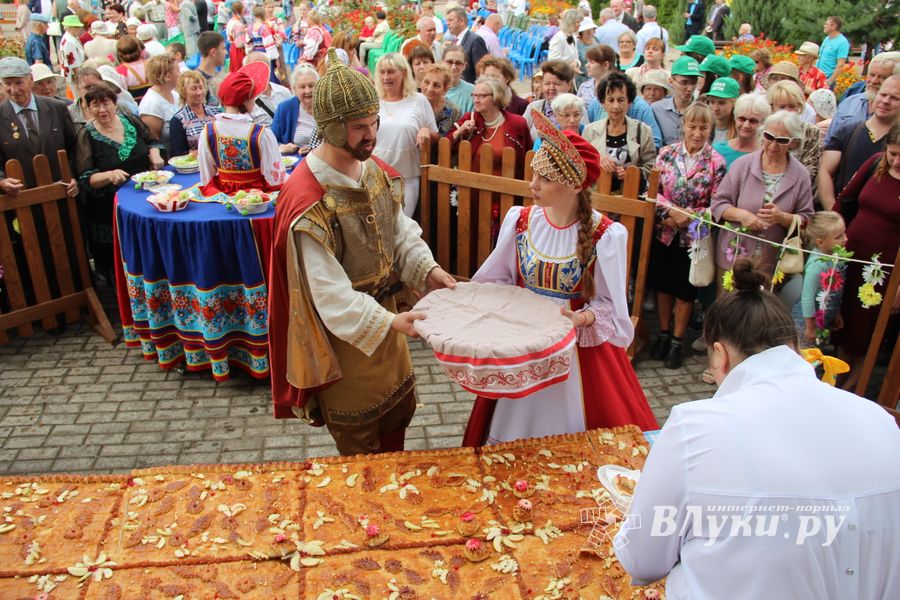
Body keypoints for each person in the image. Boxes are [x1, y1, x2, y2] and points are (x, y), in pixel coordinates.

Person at [615, 257, 900, 599]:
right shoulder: (881, 421)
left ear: (719, 356)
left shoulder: (694, 427)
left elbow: (641, 559)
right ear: (794, 347)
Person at [267, 49, 456, 455]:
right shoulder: (308, 201)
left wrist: (428, 269)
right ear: (331, 128)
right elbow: (329, 294)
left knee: (397, 425)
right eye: (358, 127)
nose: (371, 135)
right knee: (361, 455)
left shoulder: (375, 171)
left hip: (392, 327)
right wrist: (390, 323)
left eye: (374, 123)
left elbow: (399, 231)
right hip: (347, 346)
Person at [462, 109, 657, 446]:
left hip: (574, 353)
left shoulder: (605, 235)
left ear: (572, 185)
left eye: (545, 178)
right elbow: (496, 280)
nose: (532, 185)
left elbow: (611, 308)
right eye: (534, 173)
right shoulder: (520, 220)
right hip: (523, 346)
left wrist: (580, 318)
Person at [649, 102, 726, 368]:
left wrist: (690, 217)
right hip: (665, 230)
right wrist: (670, 214)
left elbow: (717, 203)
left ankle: (677, 341)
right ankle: (663, 333)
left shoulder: (716, 162)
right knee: (663, 286)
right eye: (692, 126)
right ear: (683, 126)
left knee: (685, 290)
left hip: (693, 238)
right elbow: (654, 191)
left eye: (703, 127)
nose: (697, 132)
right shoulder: (666, 154)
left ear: (710, 129)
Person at [712, 111, 815, 287]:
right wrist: (742, 216)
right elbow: (718, 203)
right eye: (769, 136)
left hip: (771, 261)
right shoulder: (743, 164)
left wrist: (782, 218)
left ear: (793, 143)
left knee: (760, 312)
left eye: (782, 140)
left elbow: (807, 219)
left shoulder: (800, 174)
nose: (773, 144)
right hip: (734, 255)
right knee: (727, 308)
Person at [832, 123, 900, 389]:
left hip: (884, 274)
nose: (896, 161)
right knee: (843, 324)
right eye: (892, 153)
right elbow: (844, 199)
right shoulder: (875, 164)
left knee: (866, 332)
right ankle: (838, 378)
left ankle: (852, 389)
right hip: (850, 260)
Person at [76, 85, 164, 277]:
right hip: (111, 205)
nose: (102, 110)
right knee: (122, 257)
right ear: (88, 108)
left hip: (145, 196)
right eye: (95, 105)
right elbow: (86, 177)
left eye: (106, 103)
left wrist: (155, 154)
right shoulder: (87, 134)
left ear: (115, 104)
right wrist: (109, 175)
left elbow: (152, 142)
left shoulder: (131, 121)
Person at [197, 61, 285, 196]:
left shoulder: (208, 132)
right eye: (253, 98)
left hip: (222, 197)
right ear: (245, 100)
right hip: (256, 197)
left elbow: (206, 176)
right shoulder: (261, 134)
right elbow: (275, 179)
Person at [0, 57, 78, 198]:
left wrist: (74, 177)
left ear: (30, 79)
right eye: (7, 84)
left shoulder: (57, 108)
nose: (14, 90)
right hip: (22, 199)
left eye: (19, 83)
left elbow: (74, 149)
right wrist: (2, 181)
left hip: (62, 194)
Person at [819, 75, 900, 210]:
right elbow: (825, 171)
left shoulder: (896, 141)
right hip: (841, 212)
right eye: (883, 94)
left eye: (895, 98)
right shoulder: (848, 131)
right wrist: (833, 212)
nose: (886, 101)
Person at [373, 53, 439, 217]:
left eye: (391, 71)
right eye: (382, 72)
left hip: (407, 178)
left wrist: (427, 132)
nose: (386, 77)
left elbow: (436, 136)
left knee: (402, 229)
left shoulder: (419, 100)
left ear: (403, 73)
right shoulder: (373, 101)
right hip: (375, 177)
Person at [583, 72, 656, 184]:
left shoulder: (643, 131)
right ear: (603, 103)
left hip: (629, 196)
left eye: (621, 100)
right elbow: (582, 165)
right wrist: (597, 161)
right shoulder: (590, 131)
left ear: (629, 102)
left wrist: (632, 173)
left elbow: (651, 168)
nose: (616, 106)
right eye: (611, 100)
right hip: (597, 195)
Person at [450, 75, 532, 173]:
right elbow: (445, 147)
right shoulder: (469, 119)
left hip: (506, 186)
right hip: (471, 185)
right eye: (474, 95)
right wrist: (459, 132)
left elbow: (528, 158)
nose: (476, 100)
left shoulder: (518, 123)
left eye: (482, 96)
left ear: (496, 97)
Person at [789, 211, 848, 348]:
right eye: (838, 237)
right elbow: (807, 297)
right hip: (805, 320)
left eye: (844, 233)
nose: (845, 239)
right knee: (804, 352)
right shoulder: (817, 265)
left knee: (816, 351)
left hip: (823, 315)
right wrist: (810, 327)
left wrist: (836, 312)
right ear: (820, 242)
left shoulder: (836, 256)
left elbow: (835, 289)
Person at [824, 52, 900, 146]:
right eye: (872, 75)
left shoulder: (895, 111)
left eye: (883, 77)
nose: (874, 81)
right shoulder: (849, 103)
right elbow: (829, 142)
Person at [766, 80, 821, 186]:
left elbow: (810, 169)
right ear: (772, 107)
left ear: (799, 107)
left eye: (792, 106)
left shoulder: (810, 132)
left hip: (797, 187)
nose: (787, 111)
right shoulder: (766, 130)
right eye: (782, 107)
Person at [169, 70, 221, 157]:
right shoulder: (178, 120)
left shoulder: (217, 112)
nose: (199, 92)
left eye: (201, 87)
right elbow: (178, 153)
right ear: (183, 92)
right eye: (194, 88)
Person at [651, 55, 700, 146]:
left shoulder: (702, 111)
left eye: (693, 83)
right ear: (671, 81)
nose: (689, 88)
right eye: (684, 83)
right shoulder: (656, 109)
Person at [712, 92, 770, 168]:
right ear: (735, 118)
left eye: (753, 121)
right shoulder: (716, 150)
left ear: (762, 123)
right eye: (742, 119)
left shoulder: (764, 156)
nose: (746, 125)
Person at [524, 60, 576, 140]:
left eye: (557, 84)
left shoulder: (577, 110)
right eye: (547, 84)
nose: (551, 88)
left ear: (569, 85)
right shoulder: (533, 108)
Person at [271, 64, 317, 153]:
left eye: (311, 86)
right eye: (302, 87)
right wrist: (282, 147)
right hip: (296, 162)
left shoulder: (329, 107)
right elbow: (273, 141)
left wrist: (316, 149)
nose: (307, 91)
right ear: (294, 89)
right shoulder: (284, 109)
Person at [138, 53, 181, 147]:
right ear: (168, 76)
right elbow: (154, 143)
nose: (180, 74)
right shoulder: (150, 105)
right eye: (178, 71)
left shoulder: (176, 95)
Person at [242, 52, 292, 126]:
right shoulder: (244, 100)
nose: (259, 72)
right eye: (254, 68)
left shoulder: (284, 92)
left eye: (263, 67)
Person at [444, 6, 487, 84]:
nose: (447, 23)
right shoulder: (455, 41)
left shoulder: (475, 40)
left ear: (461, 21)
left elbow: (482, 72)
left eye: (450, 20)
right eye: (447, 20)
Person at [421, 63, 460, 137]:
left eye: (436, 85)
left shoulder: (454, 111)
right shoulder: (412, 105)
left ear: (445, 89)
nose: (429, 89)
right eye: (426, 82)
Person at [115, 35, 151, 103]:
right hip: (154, 104)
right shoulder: (152, 64)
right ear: (139, 49)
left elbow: (123, 96)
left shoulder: (120, 71)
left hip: (135, 107)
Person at [248, 6, 279, 83]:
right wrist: (276, 58)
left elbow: (248, 44)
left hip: (255, 52)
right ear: (263, 15)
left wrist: (249, 53)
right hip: (265, 52)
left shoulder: (250, 28)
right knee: (268, 73)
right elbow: (270, 45)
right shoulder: (264, 28)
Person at [443, 45, 475, 118]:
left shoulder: (472, 91)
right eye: (449, 62)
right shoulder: (432, 88)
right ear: (442, 62)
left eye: (458, 63)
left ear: (464, 65)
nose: (453, 67)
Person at [817, 15, 850, 86]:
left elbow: (840, 64)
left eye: (826, 24)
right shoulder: (826, 39)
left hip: (827, 78)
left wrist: (830, 81)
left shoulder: (842, 42)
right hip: (818, 76)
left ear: (833, 26)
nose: (824, 26)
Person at [705, 76, 739, 143]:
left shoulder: (740, 131)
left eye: (721, 103)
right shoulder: (703, 126)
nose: (715, 108)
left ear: (734, 102)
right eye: (712, 102)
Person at [196, 30, 225, 106]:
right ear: (213, 52)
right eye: (223, 48)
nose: (226, 52)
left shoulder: (218, 75)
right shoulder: (197, 80)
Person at [548, 9, 581, 73]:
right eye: (577, 22)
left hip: (569, 76)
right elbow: (552, 62)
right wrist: (570, 67)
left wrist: (576, 63)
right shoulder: (559, 37)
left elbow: (576, 57)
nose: (580, 25)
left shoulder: (573, 36)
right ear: (570, 22)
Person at [58, 14, 85, 89]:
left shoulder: (69, 38)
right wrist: (82, 80)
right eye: (77, 27)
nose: (80, 29)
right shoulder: (69, 41)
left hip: (70, 75)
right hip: (74, 76)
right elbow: (74, 65)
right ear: (70, 28)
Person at [226, 1, 247, 74]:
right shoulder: (238, 25)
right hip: (238, 51)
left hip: (232, 48)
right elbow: (239, 44)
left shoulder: (231, 21)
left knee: (234, 70)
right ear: (241, 10)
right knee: (240, 70)